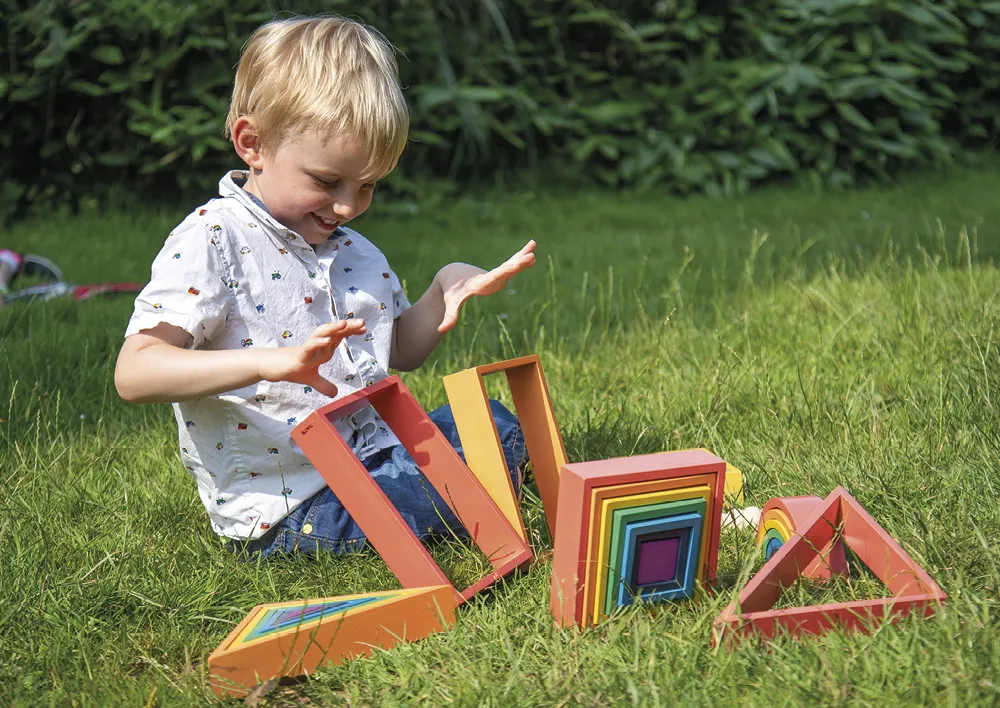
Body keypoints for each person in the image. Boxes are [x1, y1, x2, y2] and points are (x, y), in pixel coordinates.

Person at [114, 15, 536, 558]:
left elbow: (400, 348)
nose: (348, 206)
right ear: (253, 143)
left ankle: (480, 483)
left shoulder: (353, 249)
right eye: (327, 182)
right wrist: (269, 362)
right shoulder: (213, 240)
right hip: (297, 505)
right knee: (479, 464)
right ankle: (484, 494)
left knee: (494, 422)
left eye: (368, 186)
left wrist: (443, 290)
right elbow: (136, 371)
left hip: (375, 457)